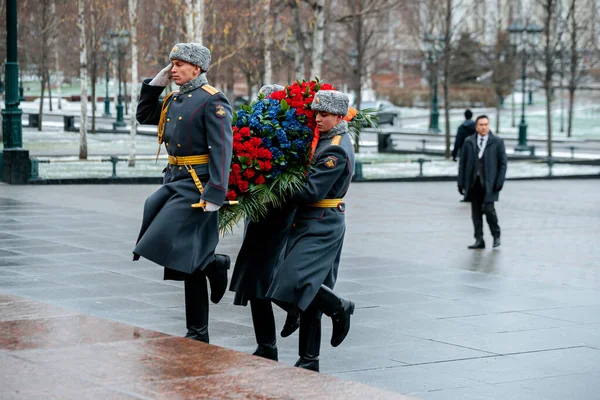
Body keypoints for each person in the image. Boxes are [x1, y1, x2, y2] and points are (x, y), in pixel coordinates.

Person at [133, 43, 233, 343]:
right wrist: (156, 84)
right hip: (174, 180)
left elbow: (222, 149)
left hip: (197, 185)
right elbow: (144, 115)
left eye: (179, 64)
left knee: (164, 240)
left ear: (197, 68)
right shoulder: (175, 99)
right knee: (186, 261)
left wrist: (216, 192)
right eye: (172, 64)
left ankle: (211, 264)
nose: (173, 69)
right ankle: (198, 330)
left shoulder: (212, 101)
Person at [266, 90, 356, 372]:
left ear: (340, 117)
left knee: (292, 283)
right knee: (306, 296)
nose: (318, 118)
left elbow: (312, 189)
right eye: (317, 113)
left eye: (325, 115)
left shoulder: (335, 147)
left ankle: (340, 306)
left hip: (322, 222)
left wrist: (273, 182)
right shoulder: (324, 139)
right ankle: (309, 359)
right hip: (311, 220)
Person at [229, 84, 300, 362]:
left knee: (258, 276)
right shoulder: (255, 127)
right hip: (257, 208)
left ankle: (293, 308)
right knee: (253, 279)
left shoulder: (294, 134)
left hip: (278, 211)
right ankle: (266, 345)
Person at [457, 115, 507, 249]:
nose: (484, 127)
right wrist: (461, 182)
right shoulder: (469, 141)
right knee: (476, 213)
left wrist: (499, 182)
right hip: (474, 183)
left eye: (486, 124)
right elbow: (463, 163)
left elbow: (503, 164)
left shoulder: (497, 142)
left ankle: (496, 235)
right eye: (481, 125)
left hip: (490, 184)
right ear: (476, 127)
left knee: (489, 210)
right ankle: (479, 239)